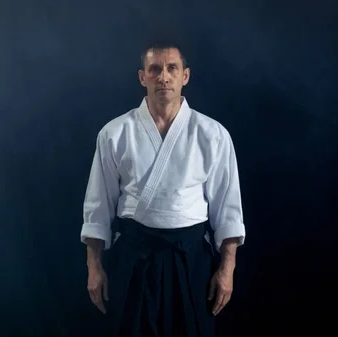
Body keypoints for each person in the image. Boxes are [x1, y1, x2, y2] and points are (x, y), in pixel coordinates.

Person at [80, 41, 246, 337]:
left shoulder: (213, 134)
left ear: (185, 76)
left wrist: (227, 268)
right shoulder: (115, 133)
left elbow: (228, 209)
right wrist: (94, 265)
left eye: (172, 68)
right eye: (154, 69)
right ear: (143, 77)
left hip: (191, 258)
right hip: (134, 256)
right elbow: (98, 207)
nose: (163, 77)